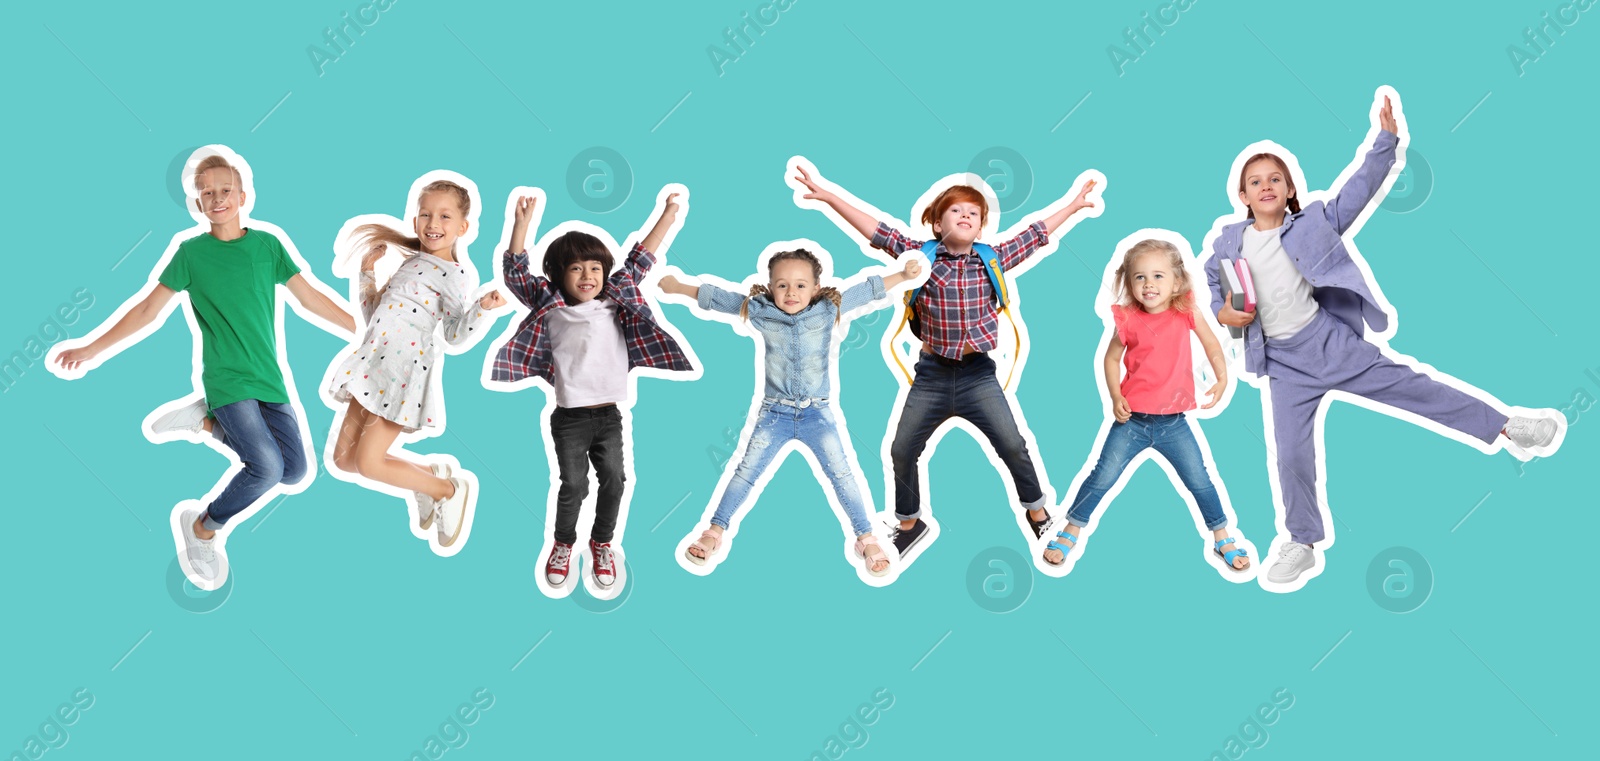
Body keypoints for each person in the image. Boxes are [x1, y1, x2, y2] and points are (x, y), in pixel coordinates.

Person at [1203, 90, 1565, 589]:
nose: (1266, 185)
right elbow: (1218, 301)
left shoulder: (1314, 222)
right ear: (1241, 196)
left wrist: (1386, 141)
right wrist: (1227, 315)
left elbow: (1358, 191)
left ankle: (1509, 427)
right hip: (1284, 366)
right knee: (1289, 455)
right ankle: (1302, 543)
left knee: (1420, 390)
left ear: (1289, 190)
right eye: (1255, 181)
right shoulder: (1226, 245)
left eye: (1275, 179)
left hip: (1330, 344)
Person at [52, 148, 356, 589]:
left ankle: (208, 423)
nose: (217, 199)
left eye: (225, 190)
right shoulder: (190, 253)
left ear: (243, 195)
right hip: (227, 378)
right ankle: (202, 527)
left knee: (295, 472)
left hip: (268, 378)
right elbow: (147, 311)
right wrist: (91, 347)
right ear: (197, 204)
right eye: (206, 193)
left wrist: (362, 331)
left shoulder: (267, 245)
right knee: (266, 467)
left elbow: (309, 297)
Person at [793, 163, 1098, 561]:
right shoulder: (919, 259)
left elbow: (1036, 234)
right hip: (932, 376)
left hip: (978, 376)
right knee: (902, 448)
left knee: (1013, 444)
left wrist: (1073, 205)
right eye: (957, 210)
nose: (967, 215)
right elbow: (876, 231)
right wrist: (831, 197)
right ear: (938, 224)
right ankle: (910, 523)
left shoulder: (993, 259)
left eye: (975, 212)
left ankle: (1038, 513)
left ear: (981, 227)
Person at [660, 249, 920, 580]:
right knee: (745, 472)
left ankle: (866, 537)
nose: (791, 293)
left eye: (800, 286)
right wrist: (678, 286)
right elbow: (720, 299)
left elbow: (865, 291)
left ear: (815, 288)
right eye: (782, 285)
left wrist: (903, 276)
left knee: (842, 474)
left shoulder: (828, 309)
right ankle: (714, 531)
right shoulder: (761, 310)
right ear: (770, 288)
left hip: (817, 414)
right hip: (775, 415)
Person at [490, 190, 695, 593]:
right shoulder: (548, 301)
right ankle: (563, 545)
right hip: (570, 418)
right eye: (577, 269)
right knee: (574, 486)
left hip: (609, 416)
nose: (588, 276)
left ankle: (602, 543)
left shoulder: (616, 295)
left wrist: (669, 215)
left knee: (616, 480)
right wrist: (521, 224)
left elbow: (643, 257)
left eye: (595, 268)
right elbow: (514, 271)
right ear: (558, 276)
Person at [1042, 238, 1250, 576]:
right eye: (1139, 277)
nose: (1149, 284)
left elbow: (1213, 345)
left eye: (1157, 276)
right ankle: (1071, 530)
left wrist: (1222, 379)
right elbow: (1111, 359)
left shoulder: (1186, 311)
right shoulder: (1127, 318)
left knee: (1200, 480)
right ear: (1128, 282)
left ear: (1176, 281)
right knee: (1101, 476)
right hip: (1132, 422)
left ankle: (1222, 536)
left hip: (1175, 424)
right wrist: (1115, 396)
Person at [326, 175, 508, 552]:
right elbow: (373, 313)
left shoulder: (455, 274)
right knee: (345, 461)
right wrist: (366, 272)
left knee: (371, 463)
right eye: (426, 215)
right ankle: (428, 477)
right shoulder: (409, 264)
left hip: (401, 373)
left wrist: (482, 309)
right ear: (415, 222)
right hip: (372, 365)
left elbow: (455, 334)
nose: (433, 224)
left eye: (444, 217)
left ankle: (447, 489)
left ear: (463, 227)